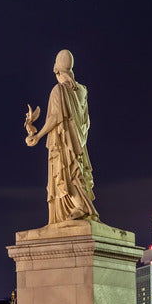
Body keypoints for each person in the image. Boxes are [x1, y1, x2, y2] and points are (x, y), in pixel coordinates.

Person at [25, 49, 97, 225]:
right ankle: (80, 207)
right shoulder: (82, 91)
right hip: (78, 143)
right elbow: (86, 122)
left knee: (64, 174)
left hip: (63, 142)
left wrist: (37, 136)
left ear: (56, 69)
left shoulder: (58, 90)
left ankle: (79, 206)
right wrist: (79, 139)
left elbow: (55, 118)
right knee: (74, 173)